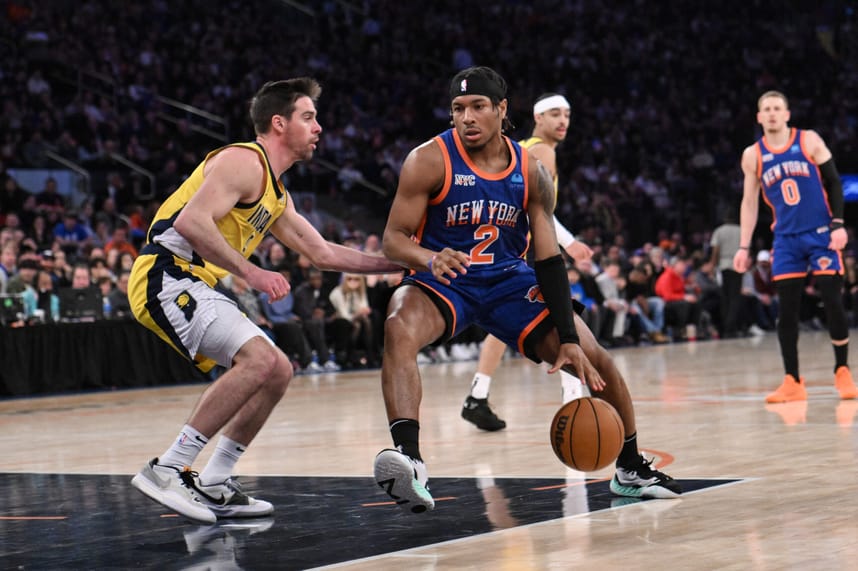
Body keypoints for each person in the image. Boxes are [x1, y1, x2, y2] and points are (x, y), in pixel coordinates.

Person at [373, 66, 680, 513]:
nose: (467, 117)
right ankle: (410, 459)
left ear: (501, 109)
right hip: (446, 275)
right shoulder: (428, 159)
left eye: (478, 107)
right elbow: (393, 239)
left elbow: (549, 258)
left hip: (508, 282)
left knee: (596, 359)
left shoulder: (529, 168)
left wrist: (569, 340)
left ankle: (630, 465)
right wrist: (427, 258)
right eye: (459, 109)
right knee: (398, 325)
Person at [127, 77, 403, 524]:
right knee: (257, 360)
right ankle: (168, 468)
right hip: (165, 273)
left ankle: (216, 481)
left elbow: (324, 254)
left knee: (278, 369)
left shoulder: (276, 193)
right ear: (279, 123)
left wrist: (400, 265)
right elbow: (193, 222)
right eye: (308, 117)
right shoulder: (242, 160)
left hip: (193, 280)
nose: (319, 127)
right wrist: (252, 272)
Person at [462, 92, 594, 431]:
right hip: (524, 247)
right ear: (538, 118)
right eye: (554, 114)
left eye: (566, 114)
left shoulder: (522, 148)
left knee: (505, 321)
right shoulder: (542, 151)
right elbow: (543, 212)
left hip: (505, 245)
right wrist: (570, 242)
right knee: (558, 316)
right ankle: (574, 400)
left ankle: (478, 394)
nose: (562, 121)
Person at [733, 90, 858, 403]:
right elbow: (749, 202)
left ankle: (842, 371)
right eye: (767, 109)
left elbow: (833, 182)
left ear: (787, 114)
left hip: (820, 234)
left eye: (777, 108)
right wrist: (743, 246)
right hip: (786, 239)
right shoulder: (753, 155)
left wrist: (838, 225)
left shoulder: (809, 140)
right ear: (759, 117)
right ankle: (792, 379)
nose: (773, 113)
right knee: (786, 311)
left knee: (831, 298)